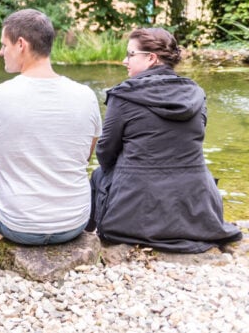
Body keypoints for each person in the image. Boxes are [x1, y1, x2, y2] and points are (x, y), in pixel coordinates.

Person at [0, 9, 101, 254]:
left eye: (4, 45)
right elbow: (83, 157)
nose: (1, 52)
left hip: (19, 225)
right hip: (73, 223)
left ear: (21, 44)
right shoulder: (87, 96)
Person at [88, 28, 242, 253]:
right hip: (198, 214)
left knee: (98, 174)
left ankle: (86, 238)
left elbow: (105, 153)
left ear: (151, 58)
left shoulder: (123, 96)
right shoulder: (196, 94)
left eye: (130, 54)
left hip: (131, 219)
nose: (124, 60)